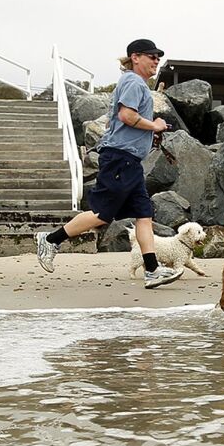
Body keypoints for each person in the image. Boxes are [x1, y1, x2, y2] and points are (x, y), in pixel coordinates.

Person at [35, 39, 184, 289]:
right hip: (120, 159)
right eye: (152, 56)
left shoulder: (134, 84)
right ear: (135, 57)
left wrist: (148, 132)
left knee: (144, 214)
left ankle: (152, 270)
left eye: (158, 56)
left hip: (130, 161)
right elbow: (126, 116)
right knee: (102, 215)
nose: (156, 60)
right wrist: (154, 125)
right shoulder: (133, 82)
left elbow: (115, 121)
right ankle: (50, 239)